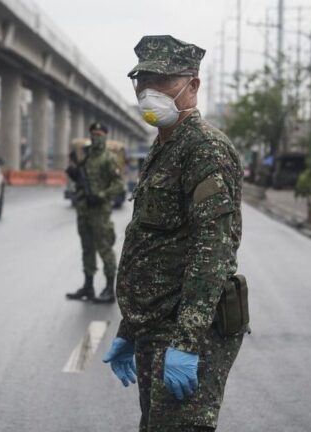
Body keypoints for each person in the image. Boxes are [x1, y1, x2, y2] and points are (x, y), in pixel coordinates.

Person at [102, 35, 244, 431]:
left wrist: (185, 342)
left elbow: (212, 253)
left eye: (162, 84)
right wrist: (130, 327)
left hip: (185, 331)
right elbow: (153, 244)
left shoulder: (204, 150)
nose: (149, 95)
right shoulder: (164, 146)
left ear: (192, 85)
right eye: (142, 84)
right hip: (154, 328)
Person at [65, 122, 124, 304]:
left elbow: (119, 184)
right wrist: (75, 175)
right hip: (84, 209)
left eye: (99, 134)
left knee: (105, 249)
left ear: (105, 136)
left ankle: (108, 288)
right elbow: (82, 179)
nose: (95, 137)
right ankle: (88, 286)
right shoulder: (88, 157)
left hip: (100, 211)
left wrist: (101, 196)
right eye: (93, 134)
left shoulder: (109, 158)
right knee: (87, 248)